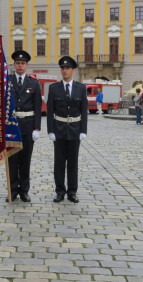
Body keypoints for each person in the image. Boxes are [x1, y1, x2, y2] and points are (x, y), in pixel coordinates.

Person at [47, 56, 88, 204]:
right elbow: (50, 110)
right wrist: (50, 130)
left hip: (75, 130)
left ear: (73, 70)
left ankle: (72, 192)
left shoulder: (81, 88)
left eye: (67, 68)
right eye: (62, 68)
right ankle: (60, 191)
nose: (64, 71)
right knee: (59, 163)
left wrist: (84, 130)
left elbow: (84, 111)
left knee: (73, 163)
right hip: (58, 130)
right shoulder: (53, 88)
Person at [7, 50, 42, 203]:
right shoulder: (7, 82)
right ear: (14, 65)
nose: (20, 66)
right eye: (17, 63)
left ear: (27, 65)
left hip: (28, 128)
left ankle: (24, 191)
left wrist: (37, 128)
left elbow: (37, 107)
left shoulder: (33, 83)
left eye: (23, 63)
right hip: (12, 127)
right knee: (12, 160)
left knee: (25, 161)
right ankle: (13, 190)